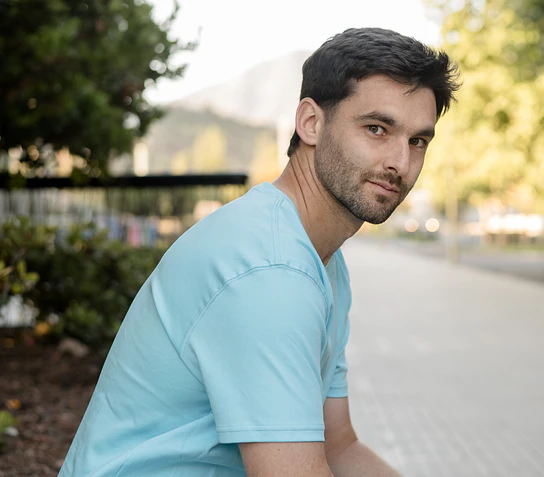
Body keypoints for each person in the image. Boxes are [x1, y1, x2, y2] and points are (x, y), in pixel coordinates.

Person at [59, 27, 460, 477]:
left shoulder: (320, 259)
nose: (400, 163)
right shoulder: (269, 269)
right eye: (376, 129)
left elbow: (340, 447)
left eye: (417, 141)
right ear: (311, 123)